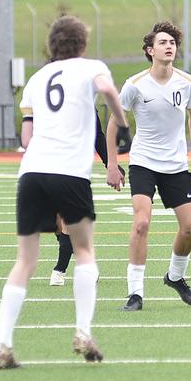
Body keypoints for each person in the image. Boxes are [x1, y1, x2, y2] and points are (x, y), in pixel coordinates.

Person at [0, 15, 128, 369]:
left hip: (33, 171)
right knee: (84, 251)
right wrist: (123, 125)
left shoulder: (37, 79)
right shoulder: (91, 67)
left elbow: (26, 138)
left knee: (25, 261)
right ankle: (83, 332)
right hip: (69, 172)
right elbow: (110, 92)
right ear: (82, 43)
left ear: (52, 44)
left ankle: (2, 344)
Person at [105, 21, 191, 311]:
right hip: (143, 163)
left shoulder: (187, 83)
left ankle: (175, 277)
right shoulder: (135, 85)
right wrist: (113, 165)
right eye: (162, 42)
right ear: (150, 50)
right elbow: (114, 122)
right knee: (141, 223)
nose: (169, 46)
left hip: (175, 165)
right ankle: (135, 293)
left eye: (172, 42)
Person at [48, 112, 126, 287]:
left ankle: (60, 269)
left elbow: (97, 134)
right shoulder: (46, 92)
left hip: (75, 163)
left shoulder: (84, 98)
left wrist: (110, 164)